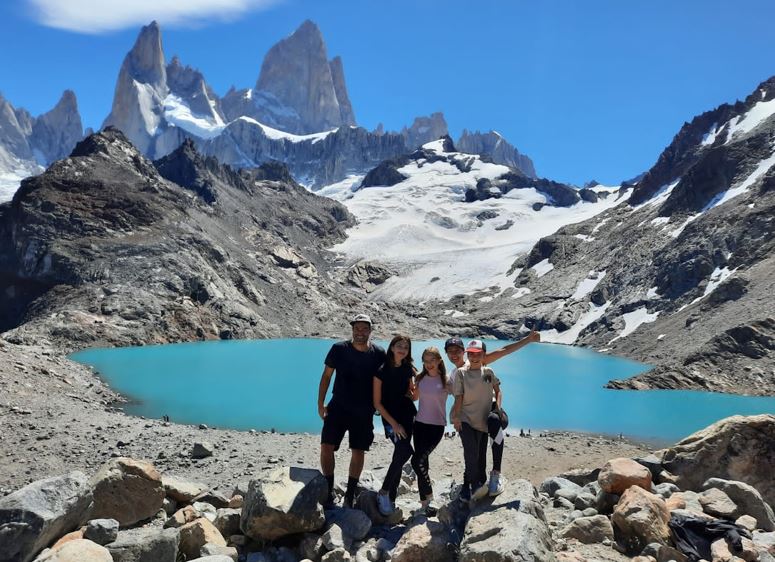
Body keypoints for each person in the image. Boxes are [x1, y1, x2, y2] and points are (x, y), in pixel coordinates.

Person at [445, 330, 540, 496]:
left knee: (490, 428)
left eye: (457, 351)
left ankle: (494, 475)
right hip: (470, 417)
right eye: (450, 352)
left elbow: (504, 351)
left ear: (464, 352)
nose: (454, 355)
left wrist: (528, 339)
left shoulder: (479, 362)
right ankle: (471, 485)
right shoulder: (453, 375)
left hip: (488, 413)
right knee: (473, 453)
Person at [318, 313, 386, 507]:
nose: (361, 332)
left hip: (364, 410)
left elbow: (387, 379)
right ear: (352, 329)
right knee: (326, 446)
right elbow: (326, 376)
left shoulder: (379, 353)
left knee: (358, 450)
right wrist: (320, 403)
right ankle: (329, 489)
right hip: (338, 406)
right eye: (357, 328)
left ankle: (350, 493)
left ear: (370, 330)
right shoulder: (339, 349)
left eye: (365, 328)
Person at [451, 339, 503, 503]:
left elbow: (498, 391)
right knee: (470, 451)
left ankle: (473, 485)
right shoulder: (461, 373)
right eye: (471, 354)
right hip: (466, 418)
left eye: (478, 354)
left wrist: (497, 409)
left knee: (480, 457)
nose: (474, 357)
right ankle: (472, 486)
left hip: (482, 419)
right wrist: (457, 417)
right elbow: (458, 396)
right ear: (467, 355)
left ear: (483, 355)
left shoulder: (488, 371)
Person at [373, 335, 417, 515]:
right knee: (405, 451)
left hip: (408, 415)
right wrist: (394, 424)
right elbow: (377, 403)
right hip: (391, 419)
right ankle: (383, 492)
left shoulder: (408, 369)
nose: (402, 349)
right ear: (391, 348)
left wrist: (417, 382)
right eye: (399, 346)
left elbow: (413, 395)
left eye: (406, 347)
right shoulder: (381, 370)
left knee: (400, 452)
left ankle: (391, 498)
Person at [409, 346, 449, 516]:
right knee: (422, 464)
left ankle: (430, 497)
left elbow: (462, 395)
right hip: (419, 425)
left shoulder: (447, 380)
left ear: (439, 360)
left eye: (432, 360)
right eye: (425, 361)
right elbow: (414, 397)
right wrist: (408, 383)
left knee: (416, 461)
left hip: (436, 427)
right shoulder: (420, 378)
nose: (429, 364)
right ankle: (424, 504)